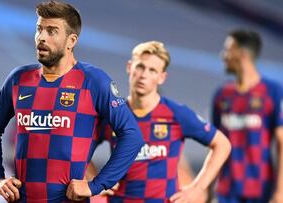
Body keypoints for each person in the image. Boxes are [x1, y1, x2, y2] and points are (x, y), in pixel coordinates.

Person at [0, 1, 144, 202]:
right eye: (39, 29)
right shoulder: (18, 79)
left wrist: (97, 185)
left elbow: (132, 135)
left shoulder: (93, 81)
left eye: (52, 31)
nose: (41, 37)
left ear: (71, 40)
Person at [91, 41, 231, 203]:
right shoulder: (113, 114)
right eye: (140, 67)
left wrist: (198, 188)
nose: (144, 75)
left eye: (152, 70)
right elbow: (80, 147)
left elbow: (222, 144)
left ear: (162, 77)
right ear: (129, 67)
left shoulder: (176, 114)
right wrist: (95, 182)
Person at [213, 29, 283, 203]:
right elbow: (215, 144)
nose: (223, 55)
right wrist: (209, 188)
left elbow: (282, 142)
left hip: (261, 188)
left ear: (242, 54)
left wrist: (281, 190)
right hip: (227, 190)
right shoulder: (222, 95)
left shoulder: (272, 91)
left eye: (228, 50)